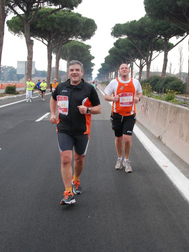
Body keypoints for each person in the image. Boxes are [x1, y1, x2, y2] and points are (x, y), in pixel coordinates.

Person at [50, 60, 101, 205]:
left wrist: (88, 110)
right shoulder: (61, 87)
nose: (74, 72)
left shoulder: (89, 89)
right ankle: (68, 192)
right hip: (63, 129)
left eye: (77, 70)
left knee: (79, 159)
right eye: (71, 70)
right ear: (68, 72)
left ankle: (76, 179)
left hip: (82, 130)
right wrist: (53, 114)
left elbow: (99, 108)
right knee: (66, 159)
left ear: (82, 72)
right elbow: (53, 99)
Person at [104, 63, 142, 173]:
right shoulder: (114, 82)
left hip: (130, 114)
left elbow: (140, 94)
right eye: (122, 68)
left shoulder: (135, 82)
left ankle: (127, 160)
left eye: (126, 68)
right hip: (116, 114)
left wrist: (138, 99)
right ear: (119, 71)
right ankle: (119, 158)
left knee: (127, 138)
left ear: (129, 71)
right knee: (118, 138)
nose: (124, 70)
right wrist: (113, 98)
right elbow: (106, 96)